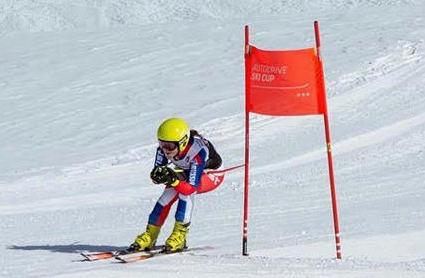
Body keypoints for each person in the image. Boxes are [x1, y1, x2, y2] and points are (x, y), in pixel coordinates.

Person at [128, 117, 223, 253]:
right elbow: (157, 175)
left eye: (170, 146)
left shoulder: (198, 152)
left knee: (185, 194)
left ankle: (180, 235)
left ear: (183, 142)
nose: (165, 150)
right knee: (166, 197)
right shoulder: (164, 149)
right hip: (187, 170)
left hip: (212, 174)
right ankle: (150, 235)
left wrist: (174, 181)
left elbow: (190, 188)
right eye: (162, 144)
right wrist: (159, 176)